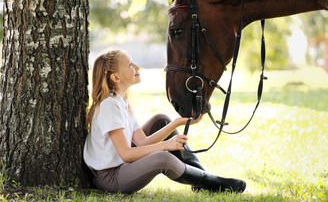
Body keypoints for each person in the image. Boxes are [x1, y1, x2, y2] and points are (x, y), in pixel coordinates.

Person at [83, 48, 246, 194]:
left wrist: (177, 123)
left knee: (162, 120)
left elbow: (141, 142)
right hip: (110, 177)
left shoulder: (123, 102)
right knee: (162, 157)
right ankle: (209, 182)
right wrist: (165, 145)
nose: (137, 68)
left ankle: (202, 177)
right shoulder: (109, 106)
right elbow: (126, 154)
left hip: (121, 168)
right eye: (130, 65)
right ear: (116, 77)